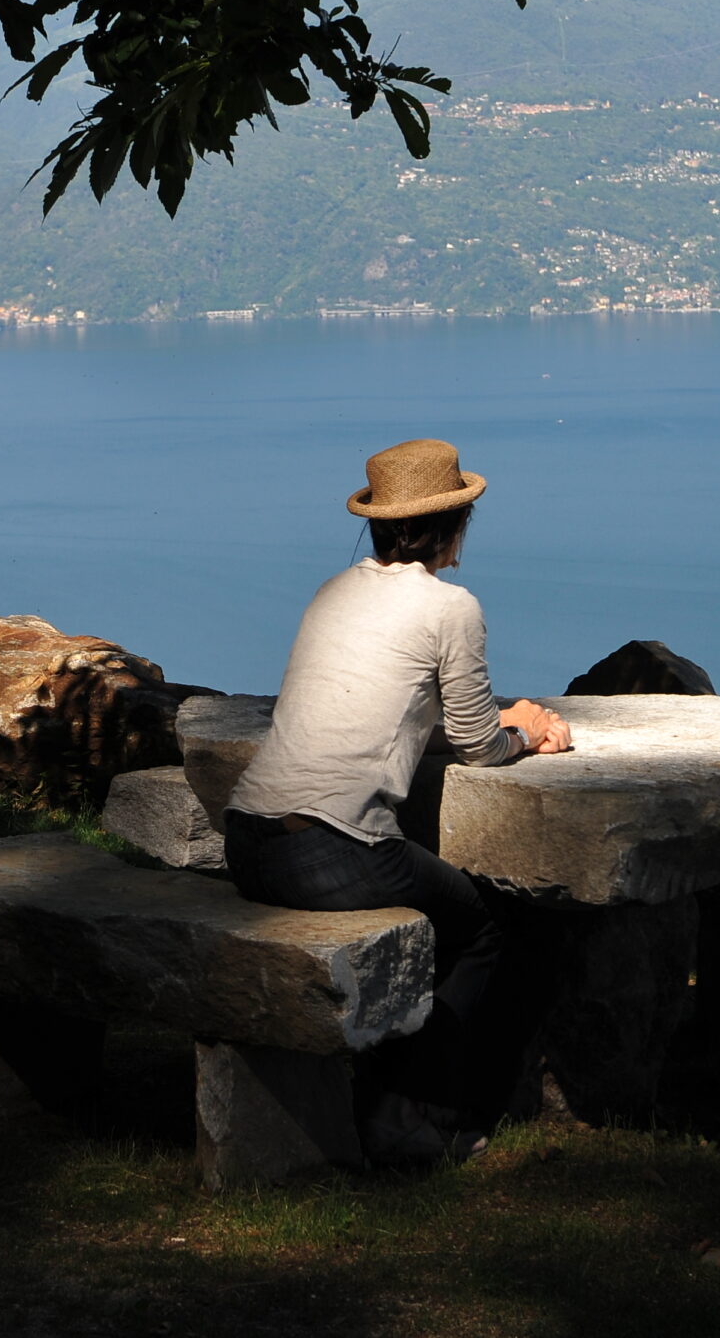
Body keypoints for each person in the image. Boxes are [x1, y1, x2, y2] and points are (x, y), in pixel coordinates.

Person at [222, 437, 570, 1162]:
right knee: (482, 930)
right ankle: (405, 1122)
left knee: (436, 908)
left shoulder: (333, 590)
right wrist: (529, 732)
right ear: (454, 527)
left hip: (249, 836)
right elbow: (478, 743)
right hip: (327, 850)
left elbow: (399, 710)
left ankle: (391, 1097)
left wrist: (492, 722)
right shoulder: (452, 607)